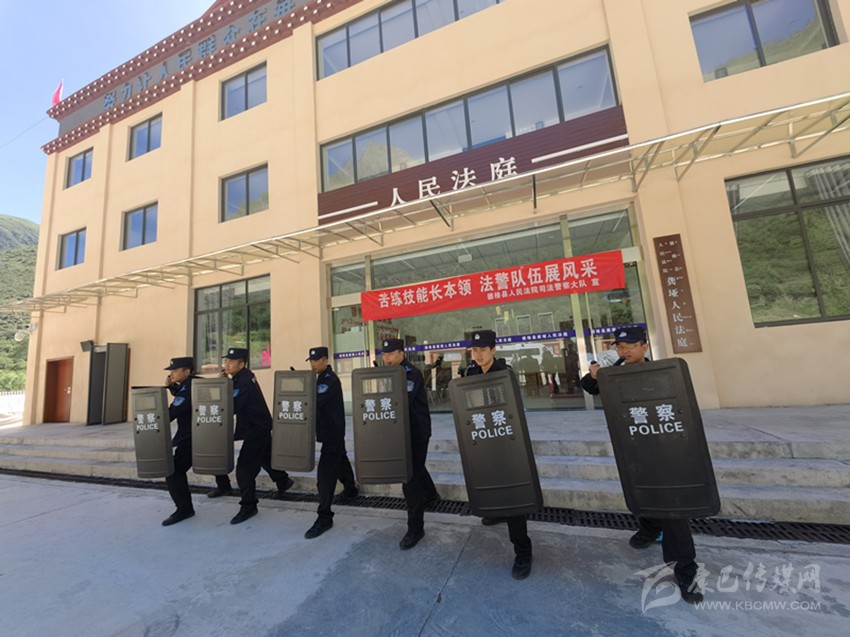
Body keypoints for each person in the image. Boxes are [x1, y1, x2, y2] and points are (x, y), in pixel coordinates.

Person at [580, 326, 703, 604]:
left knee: (673, 508)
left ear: (644, 347)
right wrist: (594, 375)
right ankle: (649, 529)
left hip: (664, 447)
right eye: (620, 347)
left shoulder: (659, 373)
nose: (624, 351)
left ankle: (686, 571)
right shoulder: (614, 373)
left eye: (630, 346)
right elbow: (589, 387)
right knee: (641, 491)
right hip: (633, 447)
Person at [464, 330, 534, 580]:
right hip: (482, 439)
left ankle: (523, 552)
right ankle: (496, 513)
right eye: (475, 350)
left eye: (483, 350)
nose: (478, 355)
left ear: (493, 350)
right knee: (489, 481)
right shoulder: (470, 373)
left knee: (512, 494)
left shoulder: (506, 374)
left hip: (505, 441)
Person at [216, 347, 295, 525]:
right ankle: (283, 481)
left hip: (256, 428)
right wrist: (226, 381)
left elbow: (232, 406)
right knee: (264, 456)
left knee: (244, 469)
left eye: (231, 362)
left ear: (241, 364)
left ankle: (249, 506)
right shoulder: (241, 377)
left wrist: (221, 385)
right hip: (259, 425)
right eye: (226, 361)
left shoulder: (242, 381)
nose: (227, 364)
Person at [381, 338, 440, 550]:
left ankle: (416, 528)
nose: (386, 358)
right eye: (384, 355)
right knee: (417, 467)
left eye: (390, 354)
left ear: (401, 353)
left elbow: (400, 401)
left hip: (416, 433)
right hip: (401, 433)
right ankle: (431, 495)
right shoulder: (389, 373)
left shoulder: (411, 374)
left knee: (410, 479)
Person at [303, 346, 358, 539]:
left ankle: (324, 516)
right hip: (329, 432)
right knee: (340, 460)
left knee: (325, 476)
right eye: (311, 360)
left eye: (316, 360)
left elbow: (314, 402)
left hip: (332, 433)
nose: (312, 364)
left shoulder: (329, 380)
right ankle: (350, 489)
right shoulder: (319, 378)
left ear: (325, 360)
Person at [161, 356, 198, 526]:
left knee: (174, 472)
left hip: (190, 437)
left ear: (187, 371)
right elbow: (182, 396)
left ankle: (184, 509)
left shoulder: (187, 389)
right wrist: (172, 387)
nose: (172, 374)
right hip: (198, 434)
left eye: (175, 370)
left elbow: (173, 411)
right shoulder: (192, 383)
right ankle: (224, 486)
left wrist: (150, 418)